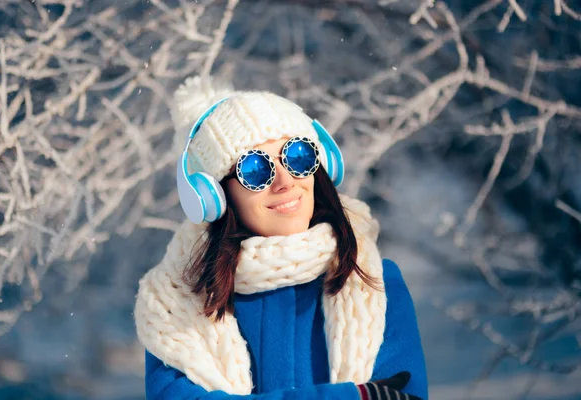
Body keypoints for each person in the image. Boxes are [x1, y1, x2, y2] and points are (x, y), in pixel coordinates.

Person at [133, 76, 428, 400]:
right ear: (214, 194)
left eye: (299, 156)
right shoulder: (174, 303)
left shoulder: (375, 281)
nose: (285, 181)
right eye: (256, 169)